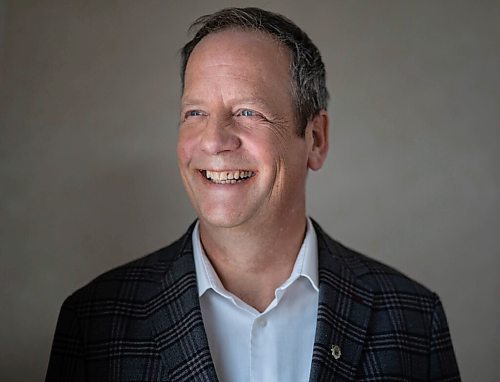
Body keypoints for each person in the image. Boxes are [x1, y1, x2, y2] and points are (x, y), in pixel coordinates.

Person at [46, 7, 460, 381]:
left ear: (315, 139)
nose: (214, 141)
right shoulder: (93, 322)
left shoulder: (413, 319)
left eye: (247, 112)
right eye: (195, 113)